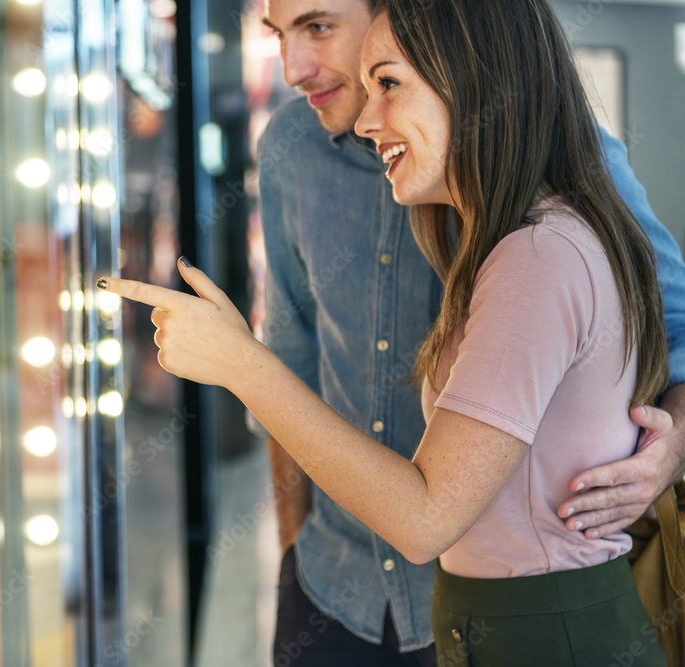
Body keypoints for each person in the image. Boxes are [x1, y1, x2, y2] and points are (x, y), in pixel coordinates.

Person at [99, 0, 685, 662]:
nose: (293, 68)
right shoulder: (304, 152)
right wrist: (294, 546)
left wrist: (666, 452)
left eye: (319, 27)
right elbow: (298, 352)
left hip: (492, 605)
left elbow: (672, 327)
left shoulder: (538, 242)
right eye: (279, 34)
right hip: (340, 584)